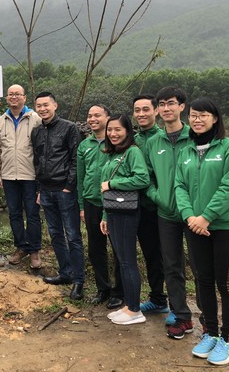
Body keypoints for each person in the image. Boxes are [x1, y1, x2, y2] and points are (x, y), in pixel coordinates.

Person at [175, 98, 229, 366]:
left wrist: (206, 217)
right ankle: (212, 334)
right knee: (203, 280)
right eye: (193, 115)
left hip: (223, 226)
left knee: (225, 283)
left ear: (215, 118)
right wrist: (190, 216)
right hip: (194, 225)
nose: (197, 119)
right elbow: (179, 186)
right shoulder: (187, 151)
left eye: (203, 115)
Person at [143, 86, 196, 339]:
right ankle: (180, 314)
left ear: (182, 107)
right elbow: (148, 177)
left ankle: (209, 320)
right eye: (162, 104)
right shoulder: (154, 142)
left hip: (194, 214)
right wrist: (158, 197)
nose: (166, 108)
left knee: (200, 267)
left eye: (171, 103)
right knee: (172, 265)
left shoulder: (194, 137)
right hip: (166, 214)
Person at [31, 91, 85, 300]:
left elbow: (75, 159)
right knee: (55, 234)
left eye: (46, 105)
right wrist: (39, 189)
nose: (43, 109)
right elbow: (37, 161)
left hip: (64, 190)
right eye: (39, 106)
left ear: (55, 105)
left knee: (73, 235)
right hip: (46, 190)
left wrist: (69, 186)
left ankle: (79, 280)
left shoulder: (69, 128)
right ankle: (65, 273)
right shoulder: (37, 132)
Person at [100, 114, 150, 325]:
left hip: (126, 213)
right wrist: (104, 215)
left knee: (128, 260)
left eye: (118, 129)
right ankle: (129, 305)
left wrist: (113, 184)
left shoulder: (132, 152)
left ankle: (135, 310)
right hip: (113, 211)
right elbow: (106, 189)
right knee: (122, 259)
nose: (113, 133)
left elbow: (142, 178)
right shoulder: (113, 153)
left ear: (127, 131)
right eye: (110, 129)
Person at [0, 84, 42, 269]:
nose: (14, 97)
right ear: (6, 98)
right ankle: (21, 247)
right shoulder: (0, 122)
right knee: (14, 214)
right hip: (9, 176)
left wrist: (41, 177)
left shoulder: (35, 119)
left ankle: (34, 250)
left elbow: (42, 150)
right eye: (10, 94)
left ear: (24, 97)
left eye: (17, 94)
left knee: (33, 213)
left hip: (30, 176)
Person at [77, 104, 123, 308]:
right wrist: (81, 205)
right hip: (91, 202)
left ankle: (119, 291)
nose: (92, 119)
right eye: (89, 115)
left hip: (113, 203)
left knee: (118, 248)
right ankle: (102, 288)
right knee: (96, 249)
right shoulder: (84, 144)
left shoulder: (115, 142)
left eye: (97, 115)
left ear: (108, 118)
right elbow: (80, 177)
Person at [132, 94, 169, 317]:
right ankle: (157, 298)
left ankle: (177, 305)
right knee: (151, 254)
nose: (141, 114)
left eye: (146, 109)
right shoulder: (133, 139)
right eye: (137, 110)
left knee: (169, 256)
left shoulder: (164, 138)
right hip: (139, 206)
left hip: (161, 206)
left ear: (156, 111)